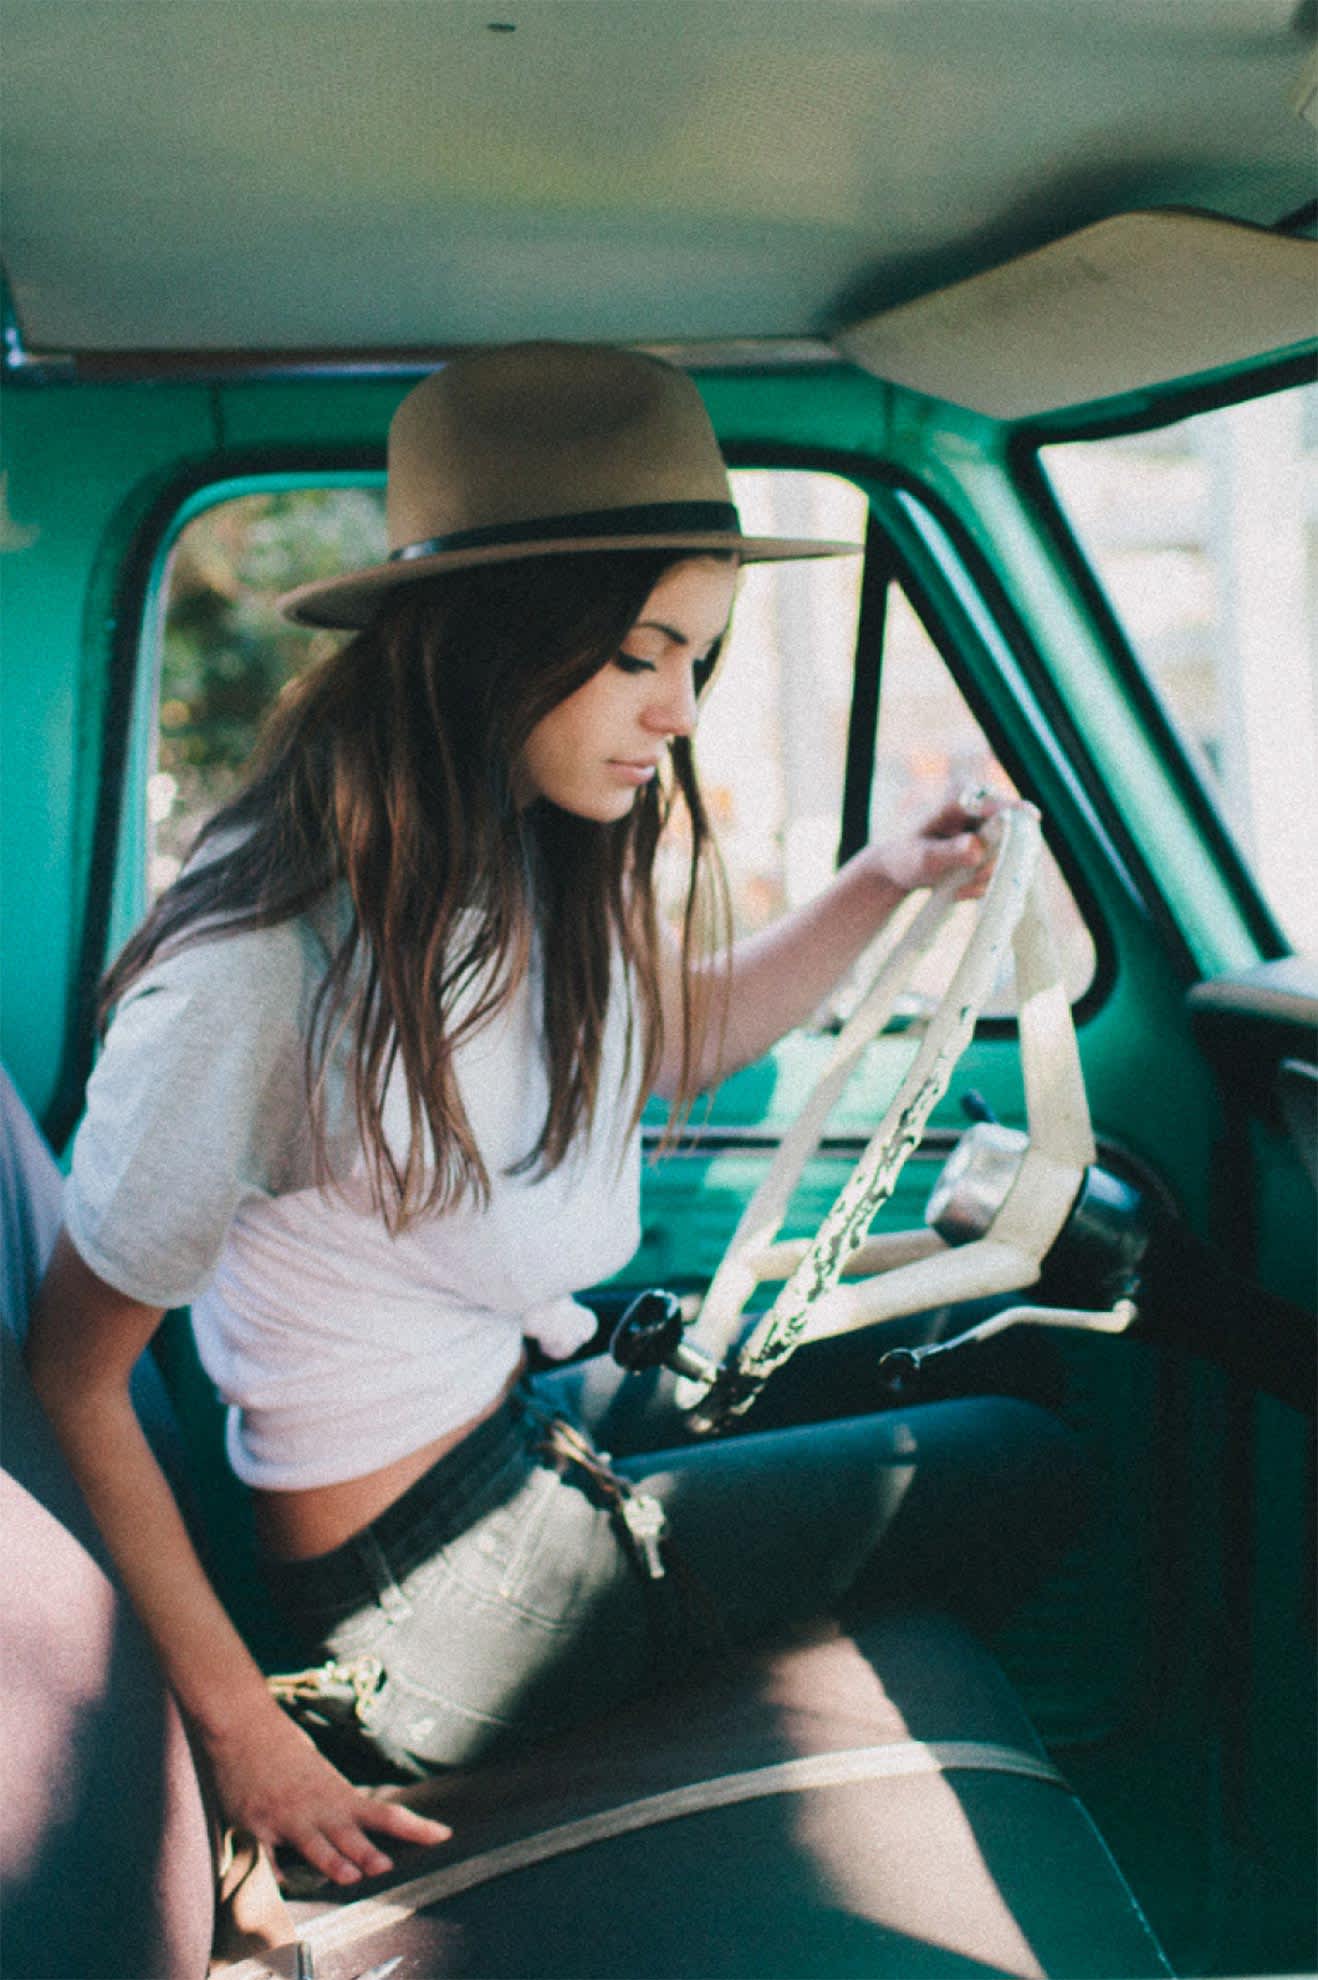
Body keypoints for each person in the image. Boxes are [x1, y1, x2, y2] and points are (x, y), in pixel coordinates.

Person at [25, 342, 1082, 1892]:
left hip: (516, 1432)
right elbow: (71, 1372)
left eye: (696, 662)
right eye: (639, 653)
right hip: (418, 1600)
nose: (674, 712)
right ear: (494, 637)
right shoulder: (265, 966)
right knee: (1010, 1466)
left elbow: (660, 1044)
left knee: (1014, 1354)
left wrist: (880, 880)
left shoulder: (505, 850)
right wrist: (246, 1729)